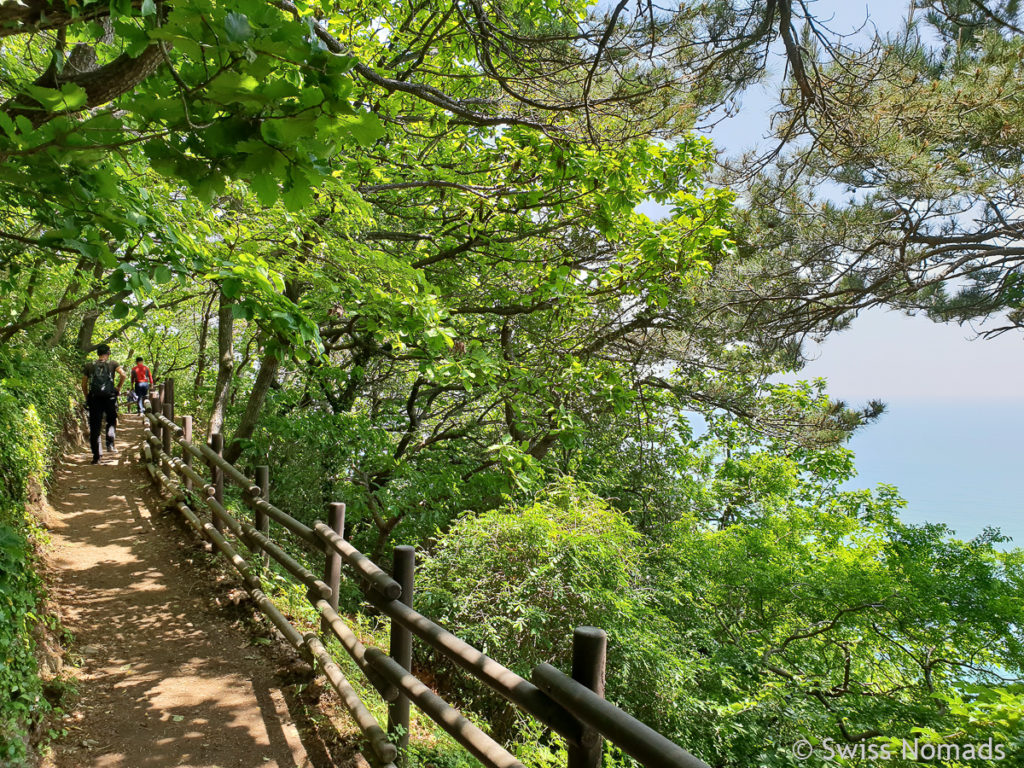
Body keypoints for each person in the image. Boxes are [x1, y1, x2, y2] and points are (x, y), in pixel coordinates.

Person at [81, 344, 127, 464]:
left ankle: (97, 456)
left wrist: (87, 396)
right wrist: (118, 387)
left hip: (95, 398)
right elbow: (123, 375)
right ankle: (110, 444)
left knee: (95, 426)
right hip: (109, 397)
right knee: (111, 419)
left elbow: (84, 384)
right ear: (108, 353)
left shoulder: (89, 366)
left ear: (98, 354)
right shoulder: (113, 364)